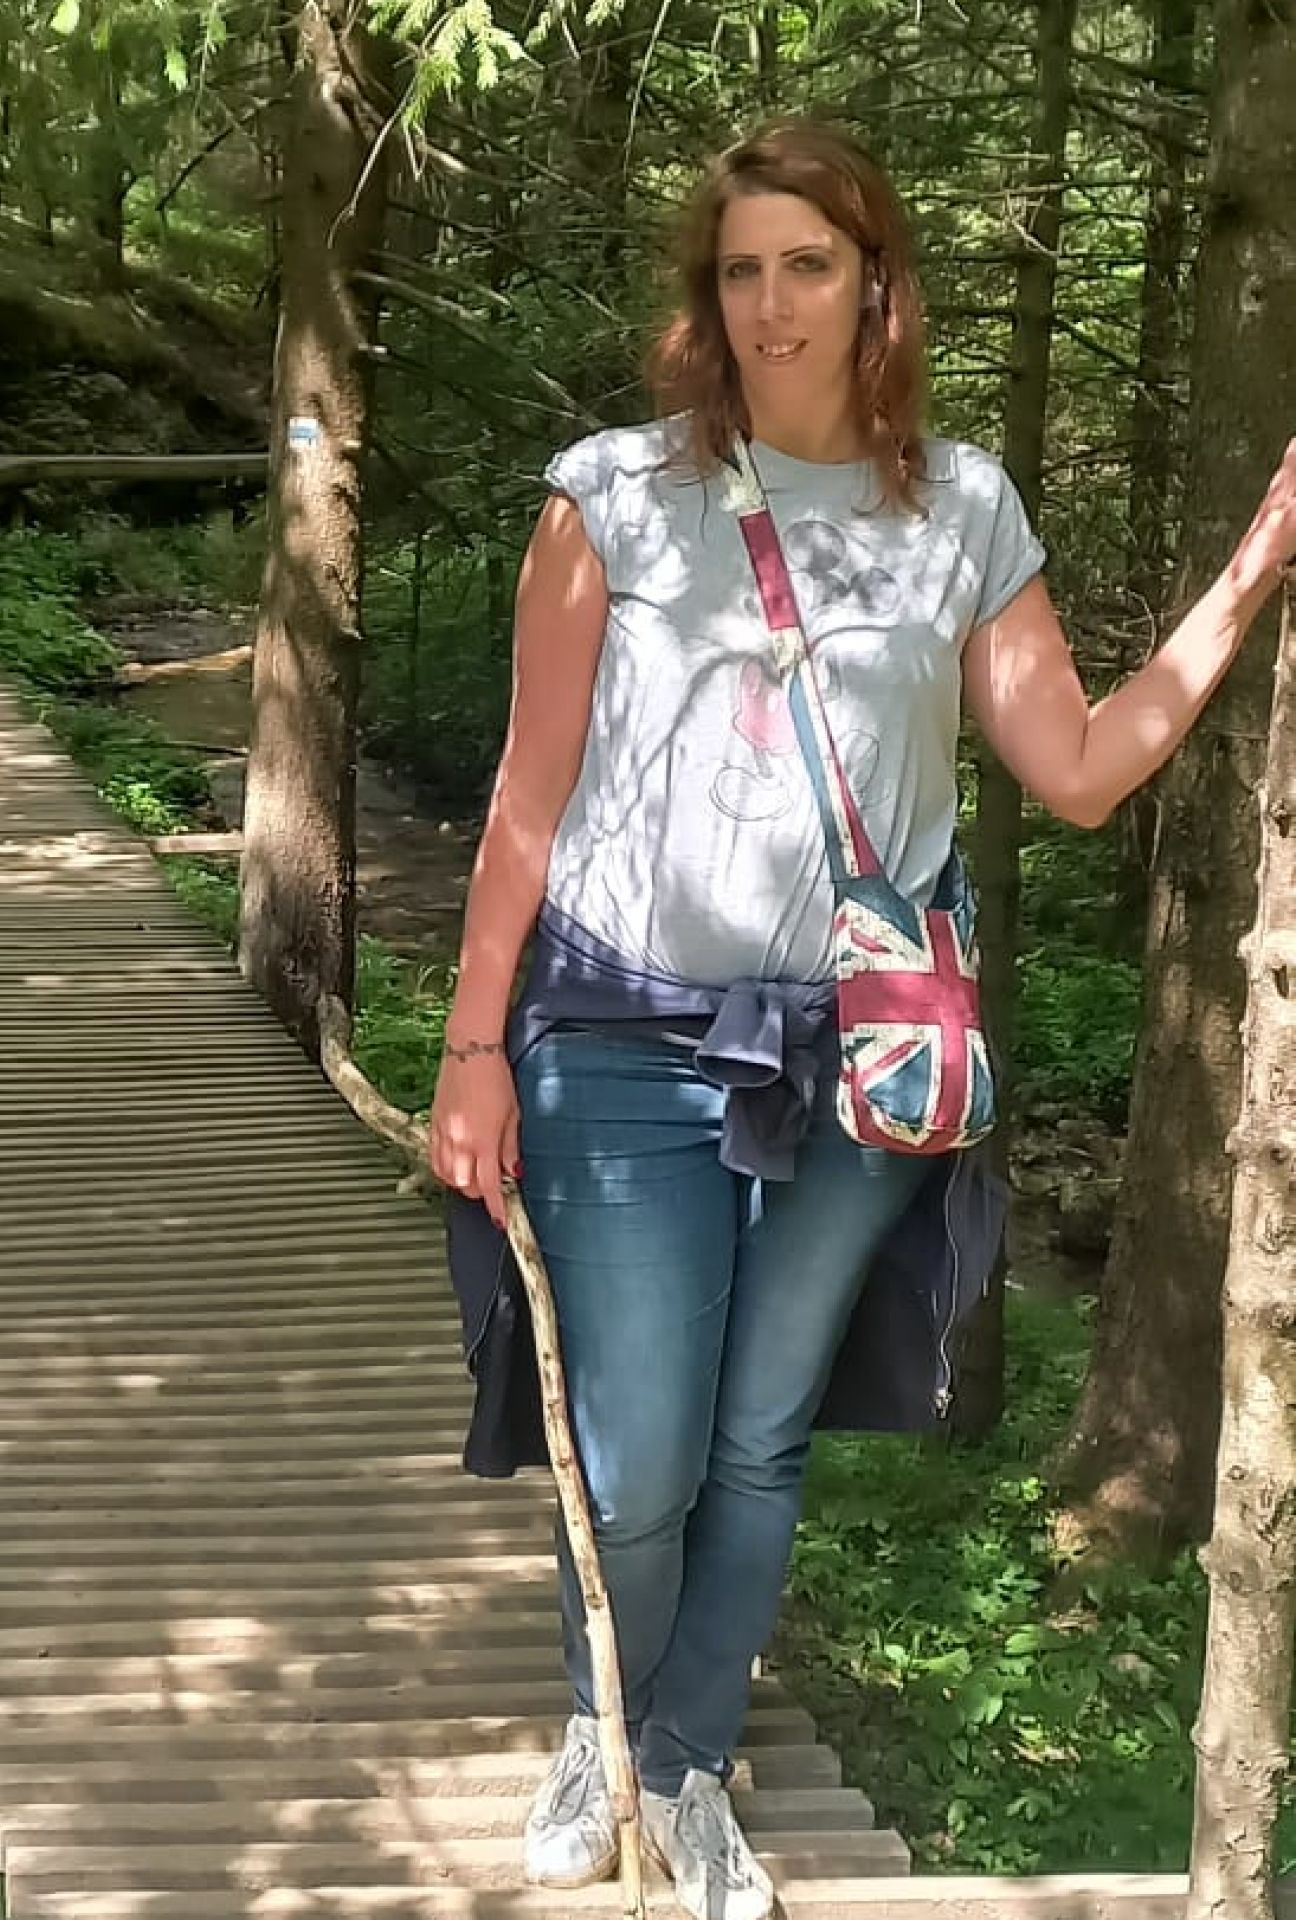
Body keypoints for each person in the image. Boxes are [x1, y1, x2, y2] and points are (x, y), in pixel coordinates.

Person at [427, 116, 1296, 1920]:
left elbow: (1076, 769)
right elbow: (530, 789)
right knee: (641, 1451)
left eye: (807, 265)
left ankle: (684, 1766)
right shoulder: (610, 496)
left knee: (762, 1435)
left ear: (875, 282)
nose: (772, 304)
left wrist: (1249, 579)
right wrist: (472, 1049)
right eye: (741, 270)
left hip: (861, 1057)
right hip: (621, 1035)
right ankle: (606, 1722)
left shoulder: (959, 510)